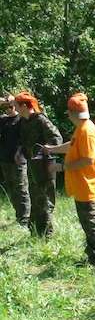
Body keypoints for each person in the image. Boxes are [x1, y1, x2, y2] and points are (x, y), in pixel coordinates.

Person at [43, 93, 95, 269]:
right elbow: (71, 146)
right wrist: (52, 149)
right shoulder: (81, 128)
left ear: (70, 113)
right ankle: (92, 257)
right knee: (87, 225)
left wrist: (61, 167)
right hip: (81, 187)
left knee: (92, 226)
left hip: (87, 186)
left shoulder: (87, 131)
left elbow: (88, 160)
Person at [13, 92, 62, 238]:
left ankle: (47, 236)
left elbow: (57, 140)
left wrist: (41, 154)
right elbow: (24, 141)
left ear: (24, 106)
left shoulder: (41, 120)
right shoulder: (24, 122)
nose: (15, 109)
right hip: (32, 168)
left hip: (45, 167)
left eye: (16, 106)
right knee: (35, 199)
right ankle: (35, 233)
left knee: (45, 201)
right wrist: (19, 151)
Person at [0, 95, 28, 226]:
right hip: (5, 159)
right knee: (11, 190)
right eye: (5, 108)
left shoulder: (21, 120)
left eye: (10, 107)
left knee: (21, 190)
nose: (8, 110)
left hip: (18, 160)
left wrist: (9, 100)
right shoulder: (2, 121)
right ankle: (19, 216)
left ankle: (25, 219)